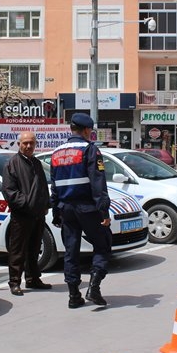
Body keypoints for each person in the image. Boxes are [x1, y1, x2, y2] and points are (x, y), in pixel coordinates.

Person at [49, 113, 112, 308]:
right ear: (86, 130)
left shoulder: (56, 153)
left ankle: (73, 296)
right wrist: (104, 211)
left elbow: (54, 185)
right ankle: (94, 287)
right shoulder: (89, 150)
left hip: (66, 209)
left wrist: (55, 212)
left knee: (71, 251)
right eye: (90, 131)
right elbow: (97, 182)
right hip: (88, 208)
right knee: (103, 244)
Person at [1, 132, 53, 296]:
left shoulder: (37, 163)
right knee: (18, 250)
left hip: (38, 215)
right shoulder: (12, 165)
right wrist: (28, 205)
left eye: (31, 143)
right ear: (19, 144)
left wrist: (46, 205)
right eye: (25, 143)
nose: (29, 146)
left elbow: (43, 187)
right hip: (22, 215)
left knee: (34, 249)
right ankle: (14, 282)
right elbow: (10, 192)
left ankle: (33, 279)